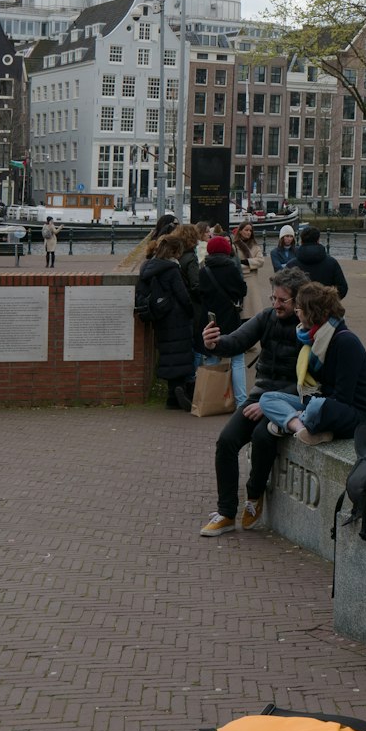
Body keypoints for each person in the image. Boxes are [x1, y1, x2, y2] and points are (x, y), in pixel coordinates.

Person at [198, 266, 310, 538]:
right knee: (226, 441)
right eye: (273, 298)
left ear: (298, 301)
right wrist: (214, 344)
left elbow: (311, 379)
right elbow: (238, 340)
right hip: (261, 393)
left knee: (262, 437)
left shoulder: (308, 327)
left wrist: (269, 405)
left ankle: (254, 495)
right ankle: (226, 513)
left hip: (291, 399)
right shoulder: (266, 318)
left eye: (282, 300)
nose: (276, 304)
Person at [258, 282, 366, 445]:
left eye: (298, 310)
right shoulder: (311, 339)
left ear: (311, 313)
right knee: (267, 399)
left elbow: (344, 397)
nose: (297, 314)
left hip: (355, 413)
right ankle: (301, 428)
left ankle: (292, 423)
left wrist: (308, 408)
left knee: (316, 406)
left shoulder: (346, 342)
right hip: (322, 402)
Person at [138, 230, 196, 410]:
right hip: (177, 316)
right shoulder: (171, 269)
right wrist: (190, 312)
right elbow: (183, 295)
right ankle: (179, 390)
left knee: (169, 354)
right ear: (174, 251)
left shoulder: (148, 267)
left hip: (160, 317)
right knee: (181, 355)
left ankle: (171, 398)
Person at [198, 233, 249, 407]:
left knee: (212, 358)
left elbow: (200, 294)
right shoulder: (232, 268)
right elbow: (242, 291)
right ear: (227, 250)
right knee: (237, 359)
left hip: (211, 320)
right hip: (231, 318)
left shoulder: (204, 270)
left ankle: (212, 400)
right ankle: (241, 401)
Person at [293, 225, 349, 298]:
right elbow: (342, 288)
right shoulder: (332, 263)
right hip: (325, 306)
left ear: (301, 241)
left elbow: (285, 289)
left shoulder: (292, 264)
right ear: (318, 240)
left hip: (299, 306)